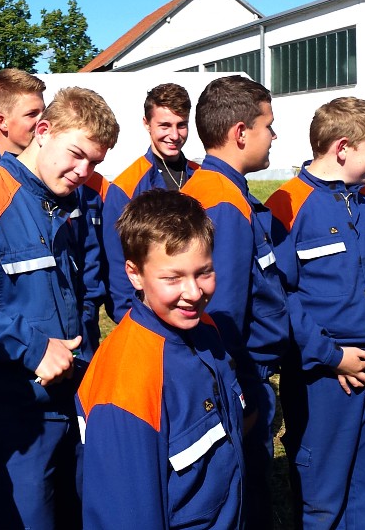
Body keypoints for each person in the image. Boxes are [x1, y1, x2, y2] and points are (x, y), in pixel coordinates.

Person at [0, 86, 119, 529]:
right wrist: (31, 347)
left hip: (68, 403)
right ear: (43, 132)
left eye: (94, 163)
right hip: (8, 416)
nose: (84, 172)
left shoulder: (62, 199)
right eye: (77, 155)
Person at [78, 189, 244, 529]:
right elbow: (125, 517)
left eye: (204, 272)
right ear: (135, 274)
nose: (194, 293)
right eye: (173, 278)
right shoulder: (127, 386)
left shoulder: (205, 328)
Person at [265, 97, 365, 528]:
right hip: (325, 373)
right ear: (343, 147)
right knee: (323, 485)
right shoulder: (286, 205)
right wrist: (332, 355)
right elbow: (279, 296)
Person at [180, 75, 289, 529]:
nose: (274, 136)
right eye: (268, 125)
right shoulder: (222, 203)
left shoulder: (222, 191)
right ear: (240, 132)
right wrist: (242, 394)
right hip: (242, 376)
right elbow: (219, 315)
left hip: (243, 373)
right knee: (247, 496)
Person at [103, 83, 199, 323]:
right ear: (146, 123)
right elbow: (117, 264)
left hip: (198, 305)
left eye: (181, 125)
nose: (174, 135)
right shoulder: (126, 188)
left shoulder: (202, 176)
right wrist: (131, 320)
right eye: (164, 125)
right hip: (151, 314)